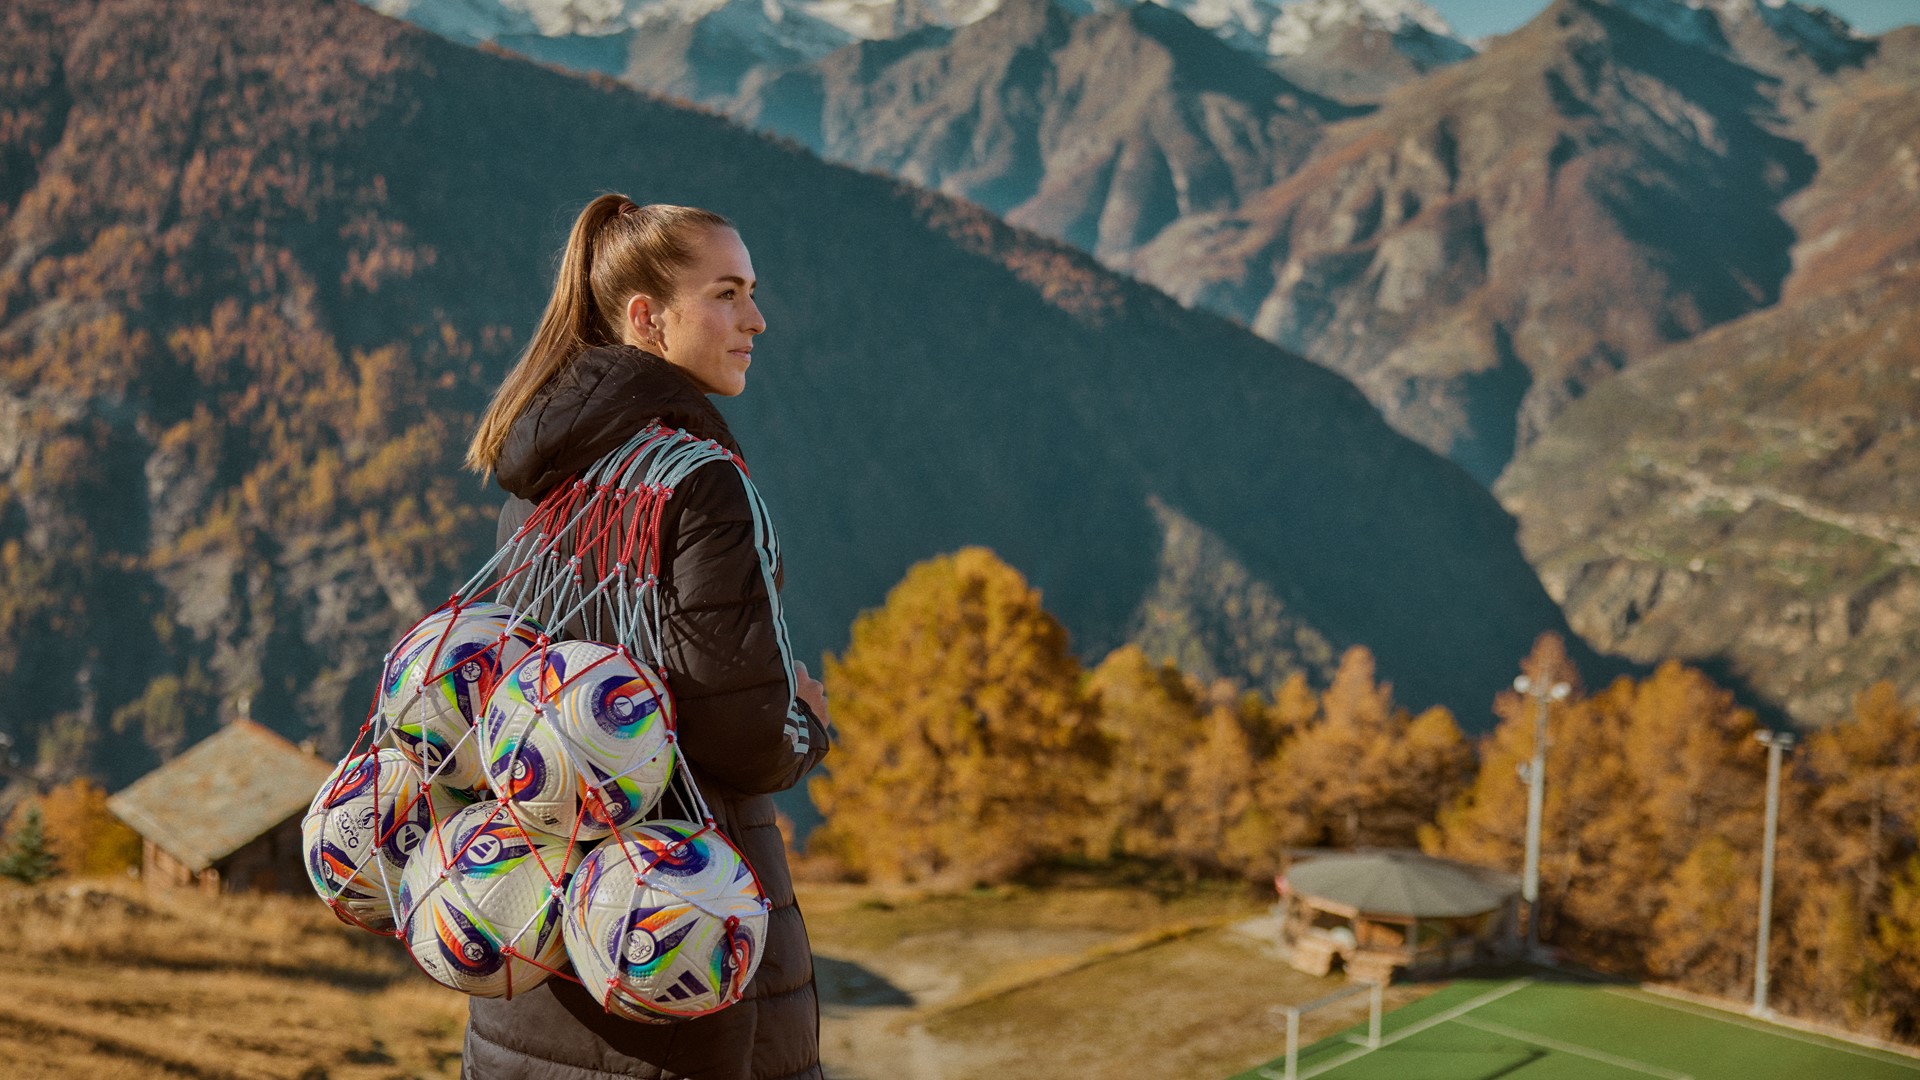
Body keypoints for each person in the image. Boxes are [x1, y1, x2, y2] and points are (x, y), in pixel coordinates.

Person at [461, 194, 832, 1080]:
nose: (756, 319)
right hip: (669, 936)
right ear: (646, 319)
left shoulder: (540, 478)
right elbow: (739, 740)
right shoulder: (701, 483)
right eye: (728, 294)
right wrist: (806, 720)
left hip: (536, 925)